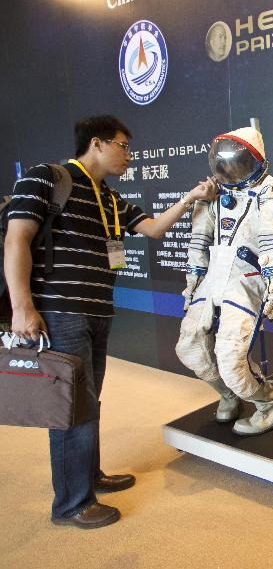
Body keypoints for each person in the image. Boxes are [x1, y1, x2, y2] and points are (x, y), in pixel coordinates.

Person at [2, 114, 216, 528]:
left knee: (89, 399)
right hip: (60, 312)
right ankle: (71, 503)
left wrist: (191, 198)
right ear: (97, 143)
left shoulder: (109, 197)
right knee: (71, 406)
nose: (129, 156)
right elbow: (17, 238)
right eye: (123, 146)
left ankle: (89, 476)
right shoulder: (47, 178)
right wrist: (21, 306)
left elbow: (153, 229)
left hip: (98, 311)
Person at [176, 127, 273, 436]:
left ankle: (271, 403)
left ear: (254, 161)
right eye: (226, 163)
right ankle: (229, 393)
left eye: (238, 163)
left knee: (229, 356)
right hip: (213, 275)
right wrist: (192, 284)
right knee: (189, 346)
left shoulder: (269, 193)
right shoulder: (214, 195)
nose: (232, 170)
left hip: (246, 278)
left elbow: (272, 244)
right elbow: (198, 242)